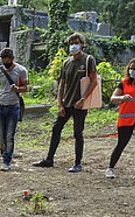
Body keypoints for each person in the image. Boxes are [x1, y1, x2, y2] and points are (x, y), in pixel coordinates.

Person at [32, 33, 99, 174]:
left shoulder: (88, 60)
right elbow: (61, 84)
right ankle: (49, 159)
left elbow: (94, 81)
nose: (73, 45)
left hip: (80, 104)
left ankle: (77, 163)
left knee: (77, 133)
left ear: (82, 44)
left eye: (76, 42)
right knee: (56, 129)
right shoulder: (66, 62)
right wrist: (59, 104)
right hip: (66, 103)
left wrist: (83, 99)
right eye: (71, 43)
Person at [0, 48, 28, 172]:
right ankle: (3, 155)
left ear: (12, 58)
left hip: (13, 106)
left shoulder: (21, 70)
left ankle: (7, 160)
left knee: (9, 135)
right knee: (0, 135)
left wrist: (17, 88)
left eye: (6, 58)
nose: (4, 61)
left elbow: (26, 87)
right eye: (2, 59)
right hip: (0, 106)